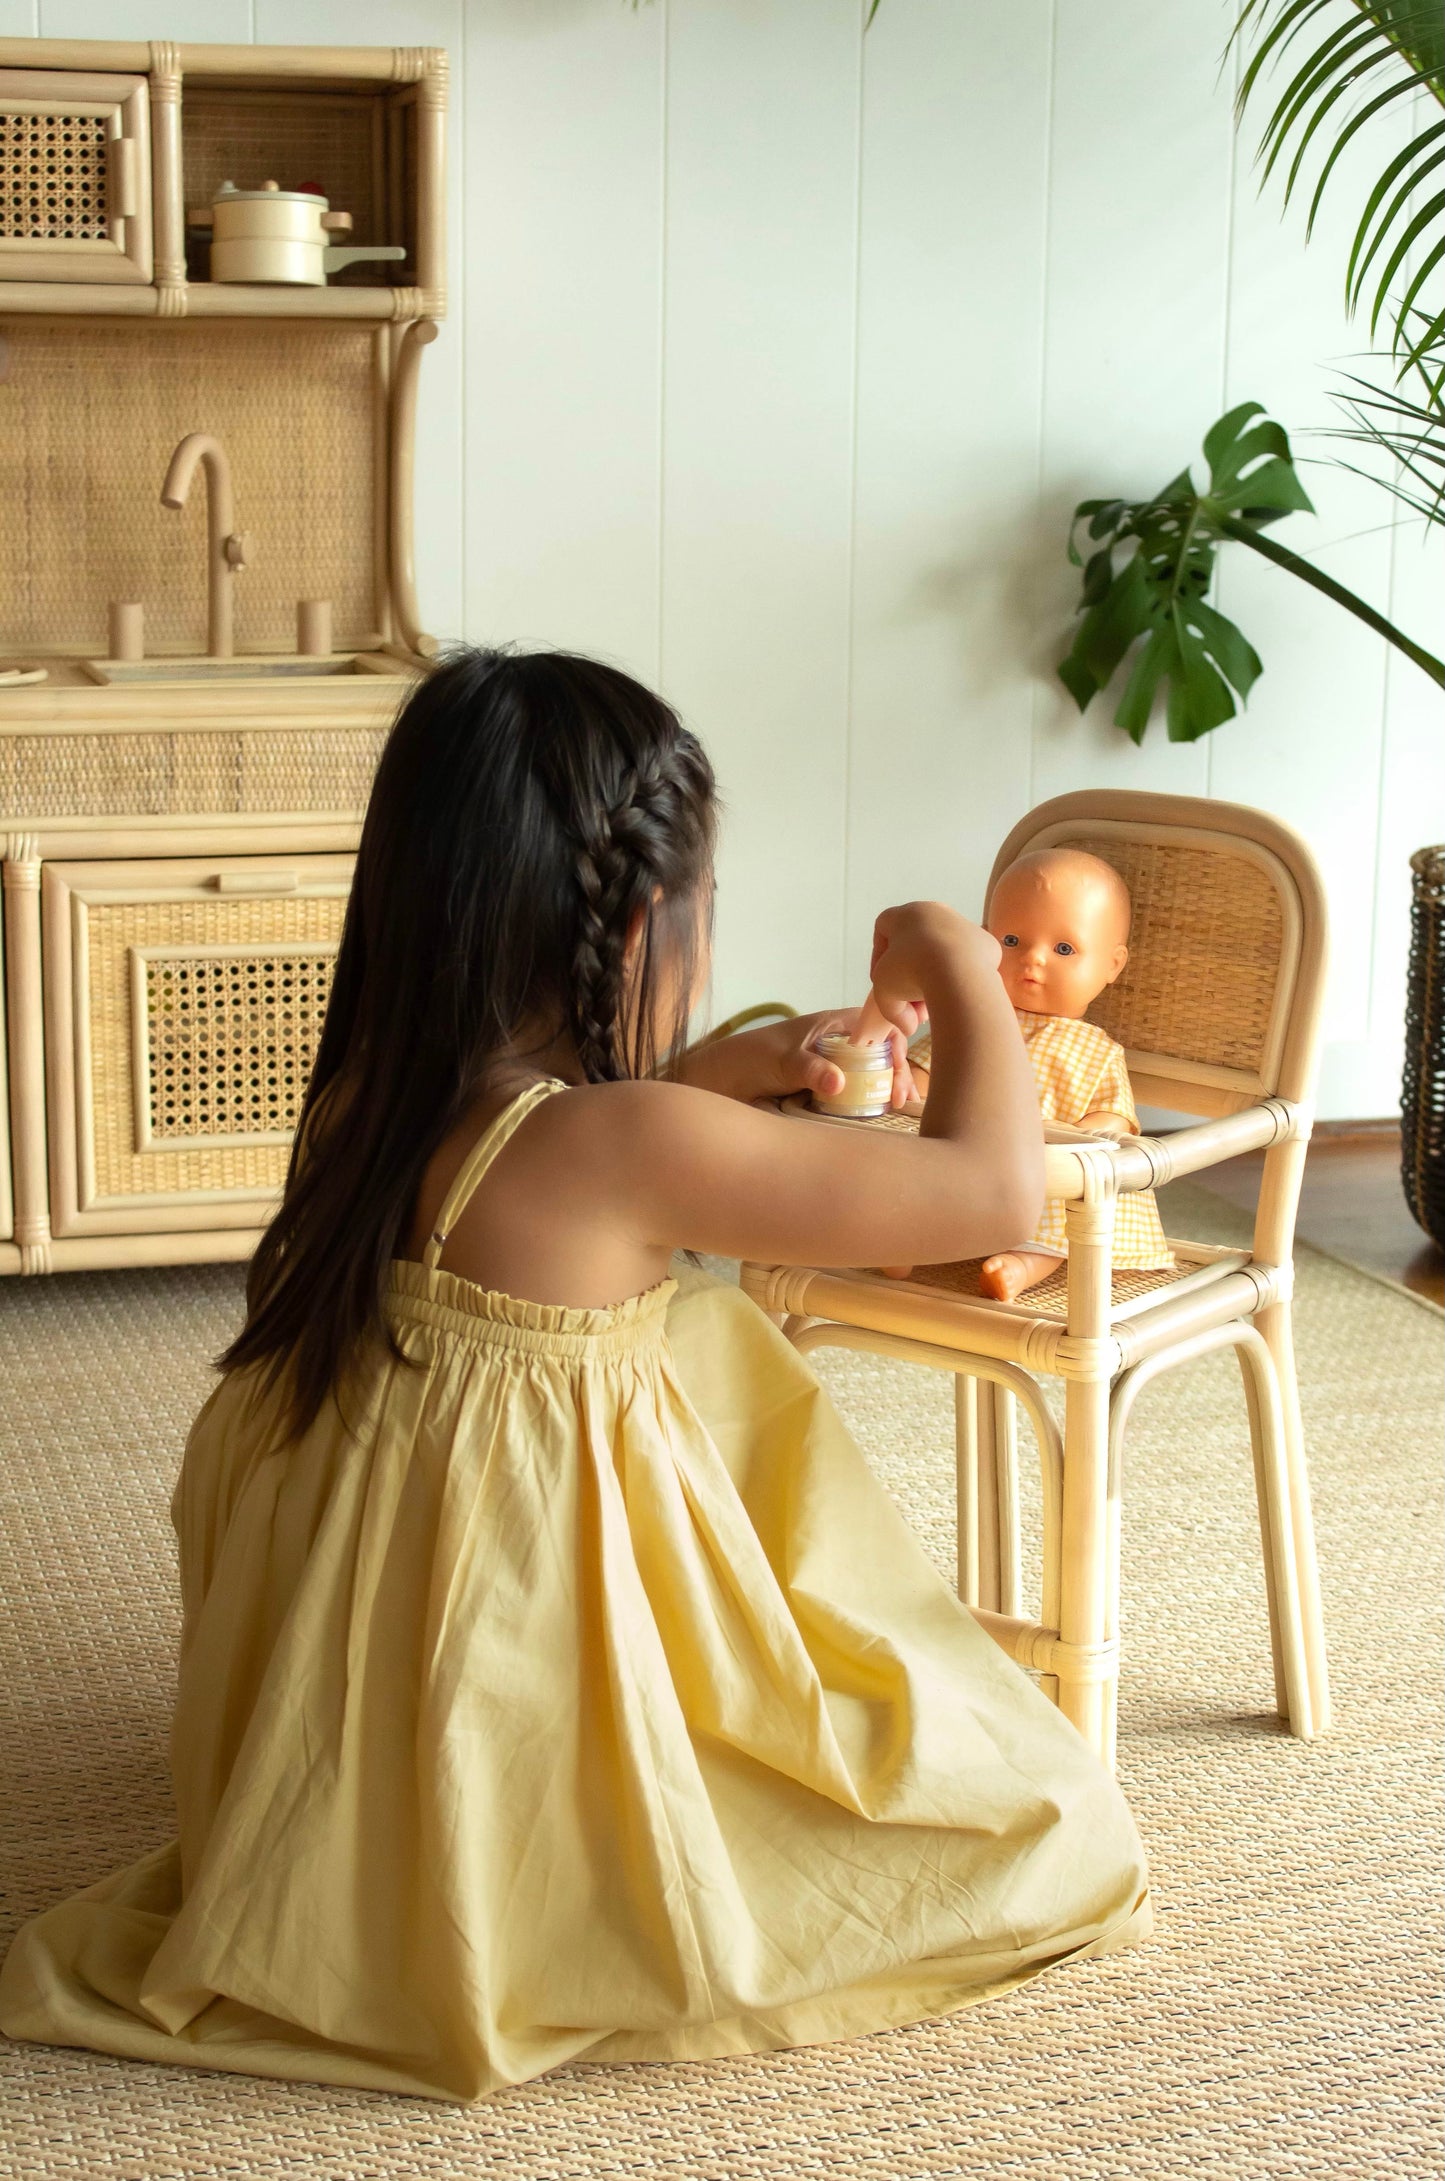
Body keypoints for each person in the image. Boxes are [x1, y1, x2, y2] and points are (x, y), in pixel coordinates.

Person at [0, 648, 1151, 2104]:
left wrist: (746, 1065)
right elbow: (988, 1195)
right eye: (707, 912)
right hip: (516, 1636)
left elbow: (615, 1115)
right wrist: (952, 965)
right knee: (1046, 1826)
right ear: (636, 922)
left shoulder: (389, 1085)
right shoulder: (622, 1152)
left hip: (394, 1594)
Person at [902, 848, 1173, 1300]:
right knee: (911, 1182)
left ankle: (1020, 1267)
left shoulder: (1097, 1050)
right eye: (1012, 942)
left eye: (1063, 948)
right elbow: (924, 1072)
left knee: (1068, 1224)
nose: (1033, 960)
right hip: (967, 1165)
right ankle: (906, 1244)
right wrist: (910, 1090)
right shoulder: (973, 1019)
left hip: (1045, 1178)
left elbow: (1115, 1118)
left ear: (1111, 965)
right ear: (985, 941)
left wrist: (1081, 1137)